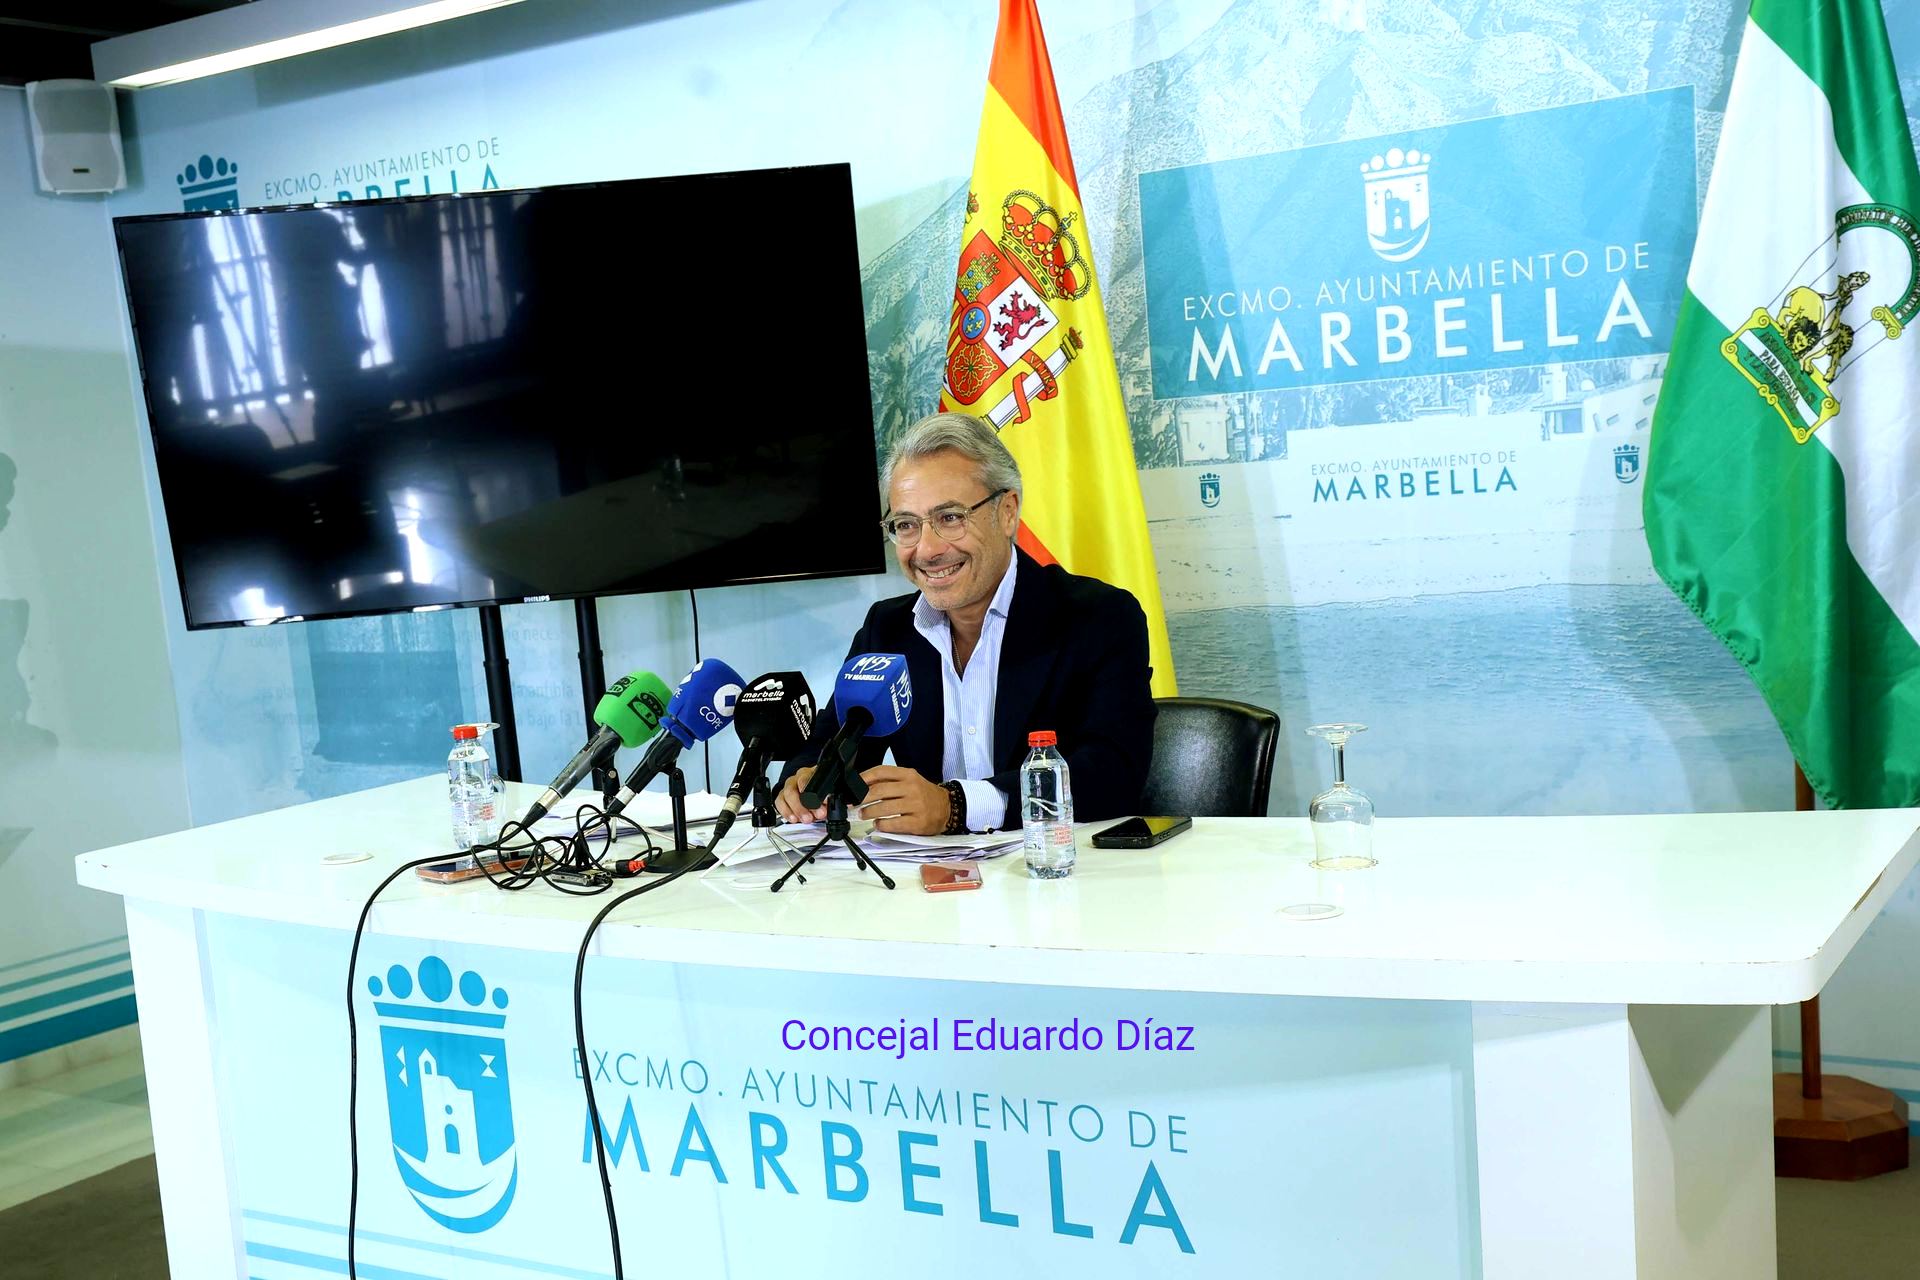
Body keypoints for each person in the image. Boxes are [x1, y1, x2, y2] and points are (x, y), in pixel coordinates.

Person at [776, 412, 1156, 835]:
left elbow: (1113, 775)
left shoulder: (1099, 618)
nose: (927, 549)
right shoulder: (887, 628)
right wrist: (804, 780)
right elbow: (827, 745)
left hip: (1056, 865)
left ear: (1007, 512)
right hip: (927, 870)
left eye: (950, 518)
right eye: (906, 525)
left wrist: (956, 805)